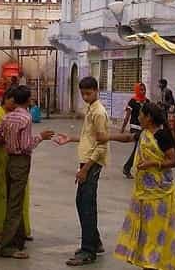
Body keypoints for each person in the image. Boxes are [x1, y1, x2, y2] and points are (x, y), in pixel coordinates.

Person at [113, 101, 175, 270]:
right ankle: (148, 262)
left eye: (141, 115)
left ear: (149, 118)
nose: (138, 117)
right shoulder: (145, 133)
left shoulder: (162, 136)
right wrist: (106, 137)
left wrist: (153, 164)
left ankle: (155, 263)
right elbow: (128, 137)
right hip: (143, 193)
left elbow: (173, 160)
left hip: (160, 195)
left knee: (157, 231)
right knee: (146, 231)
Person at [0, 86, 54, 259]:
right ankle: (8, 246)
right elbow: (26, 145)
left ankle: (18, 239)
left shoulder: (7, 116)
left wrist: (8, 139)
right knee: (16, 203)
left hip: (9, 160)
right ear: (27, 100)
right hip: (20, 161)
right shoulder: (26, 118)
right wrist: (41, 137)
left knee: (13, 198)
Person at [58, 76, 110, 267]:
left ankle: (88, 250)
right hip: (86, 161)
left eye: (88, 93)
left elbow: (102, 146)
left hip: (91, 164)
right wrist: (70, 139)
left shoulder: (99, 113)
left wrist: (85, 169)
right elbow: (89, 138)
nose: (85, 97)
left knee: (86, 204)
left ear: (96, 91)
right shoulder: (90, 110)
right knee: (82, 202)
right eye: (83, 94)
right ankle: (94, 241)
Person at [0, 86, 33, 245]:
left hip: (10, 159)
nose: (13, 103)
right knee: (4, 197)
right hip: (3, 160)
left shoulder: (8, 116)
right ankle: (0, 232)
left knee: (19, 197)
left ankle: (22, 231)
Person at [122, 83, 148, 179]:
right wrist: (123, 128)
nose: (143, 91)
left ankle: (134, 168)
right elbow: (127, 116)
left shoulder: (147, 101)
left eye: (144, 89)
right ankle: (127, 167)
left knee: (140, 149)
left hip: (144, 129)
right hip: (135, 128)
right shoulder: (132, 102)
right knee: (137, 149)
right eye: (141, 89)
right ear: (137, 90)